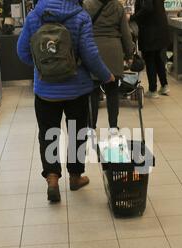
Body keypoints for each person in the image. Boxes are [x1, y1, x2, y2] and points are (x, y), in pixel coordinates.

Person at [17, 0, 115, 202]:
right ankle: (75, 177)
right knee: (77, 133)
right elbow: (90, 54)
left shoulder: (35, 15)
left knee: (49, 134)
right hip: (77, 89)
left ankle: (52, 179)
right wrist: (106, 75)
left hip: (45, 90)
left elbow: (22, 51)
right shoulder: (80, 16)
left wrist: (43, 67)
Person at [83, 0, 135, 132]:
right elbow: (126, 33)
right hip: (114, 51)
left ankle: (91, 127)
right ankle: (113, 126)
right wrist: (129, 54)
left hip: (93, 50)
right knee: (112, 91)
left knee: (93, 92)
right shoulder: (118, 6)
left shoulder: (86, 5)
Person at [132, 0, 170, 99]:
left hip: (150, 30)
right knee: (157, 58)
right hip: (160, 28)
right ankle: (164, 85)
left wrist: (133, 17)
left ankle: (153, 90)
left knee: (150, 59)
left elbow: (147, 8)